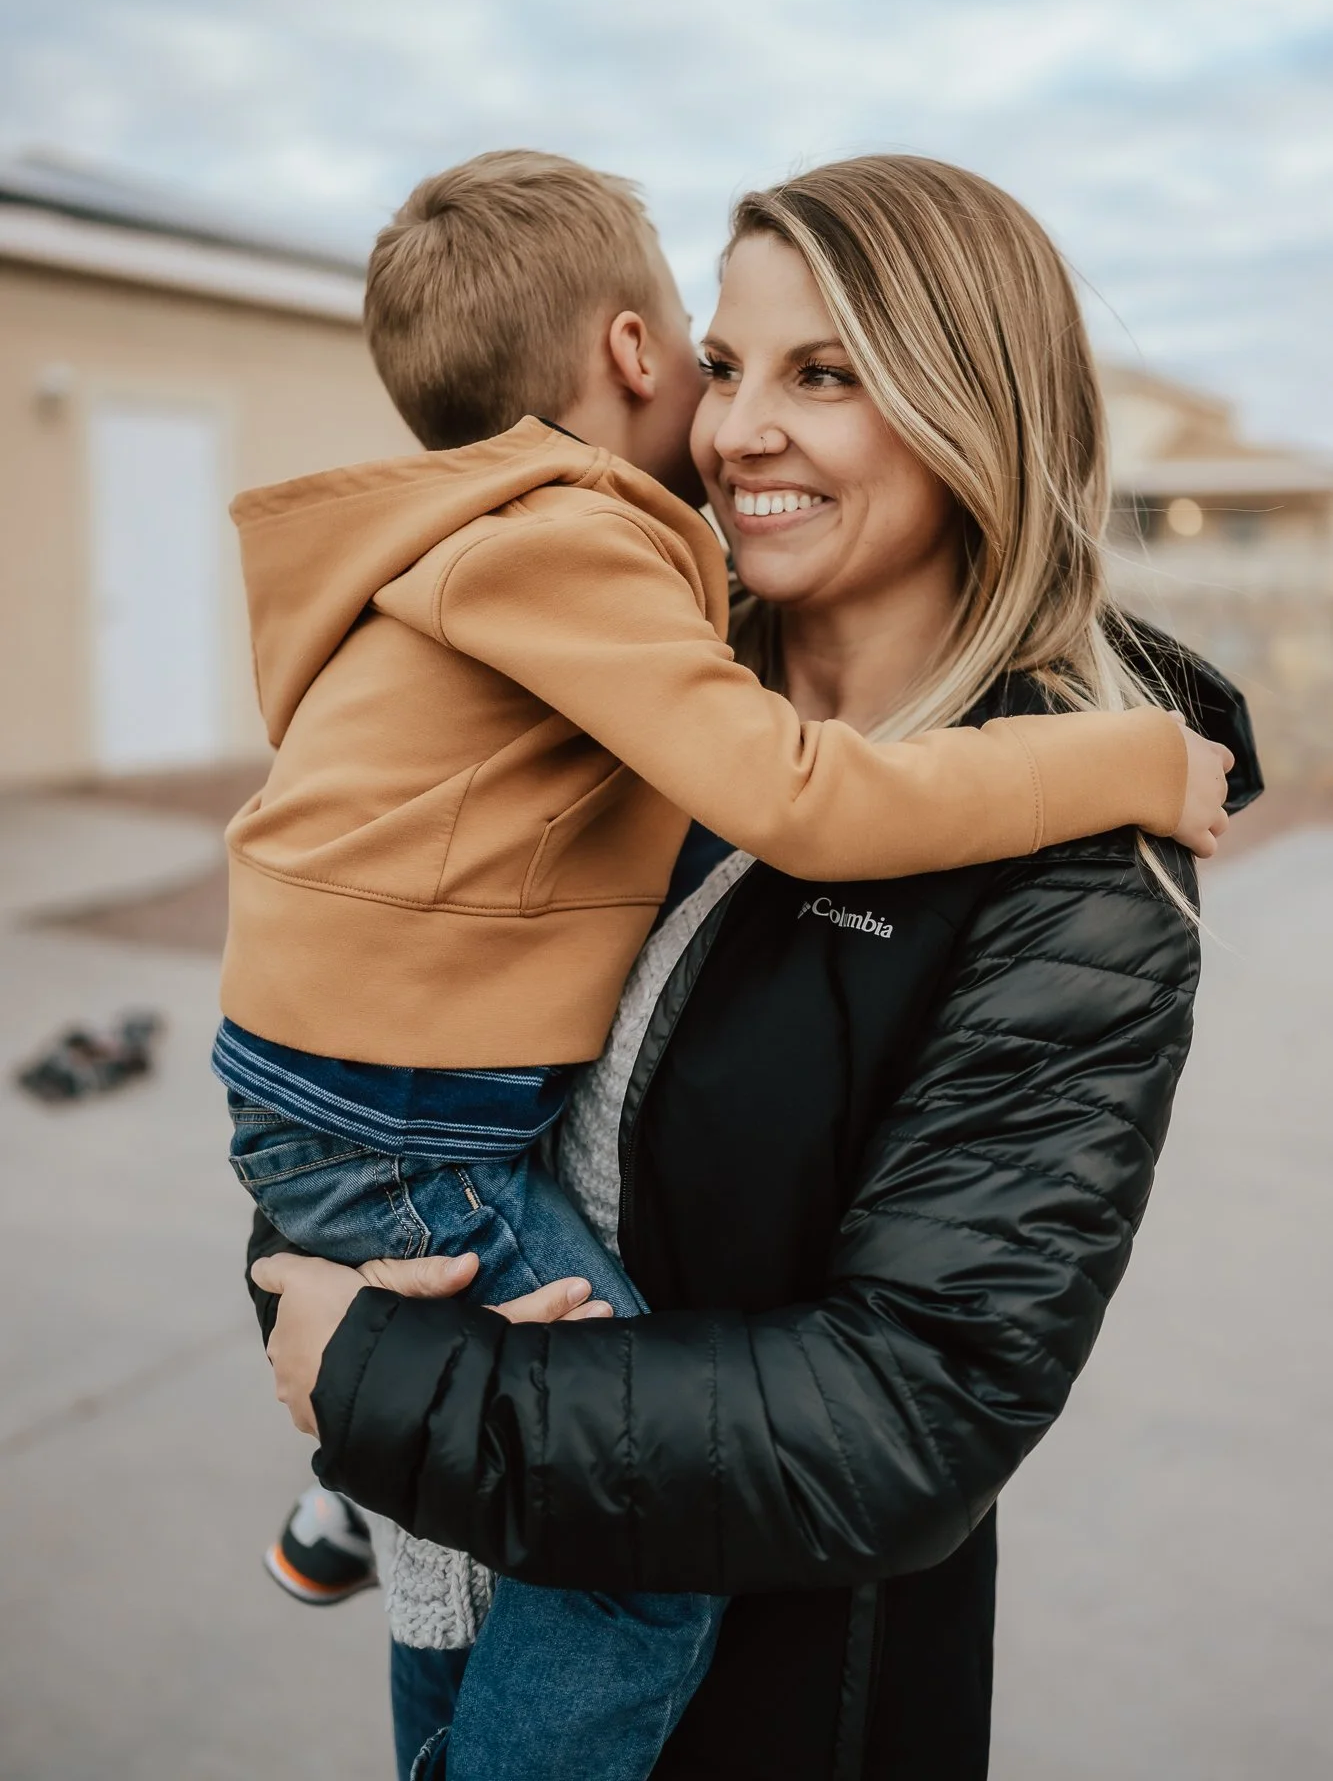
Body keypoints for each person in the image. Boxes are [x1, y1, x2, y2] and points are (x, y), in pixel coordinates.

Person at [250, 154, 1261, 1781]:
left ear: (970, 408)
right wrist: (309, 1270)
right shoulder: (614, 685)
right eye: (727, 368)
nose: (737, 431)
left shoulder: (1083, 862)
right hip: (472, 1598)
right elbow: (368, 1023)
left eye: (826, 374)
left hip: (785, 1716)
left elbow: (911, 1413)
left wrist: (378, 1377)